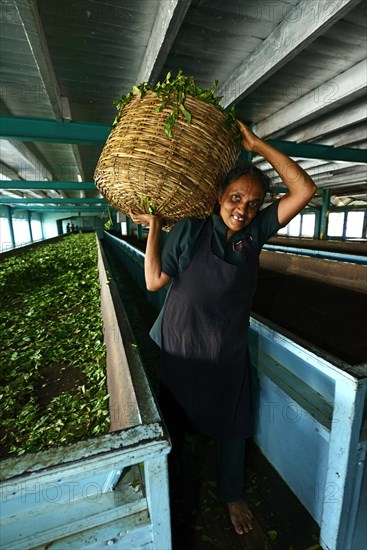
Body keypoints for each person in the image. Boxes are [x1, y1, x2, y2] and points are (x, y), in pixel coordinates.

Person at [130, 121, 317, 536]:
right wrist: (157, 227)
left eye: (253, 204)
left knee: (234, 423)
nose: (243, 210)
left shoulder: (254, 234)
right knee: (175, 421)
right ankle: (174, 486)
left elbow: (304, 190)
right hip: (180, 344)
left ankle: (231, 493)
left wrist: (257, 145)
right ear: (219, 196)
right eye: (236, 198)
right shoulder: (193, 230)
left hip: (226, 349)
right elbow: (154, 281)